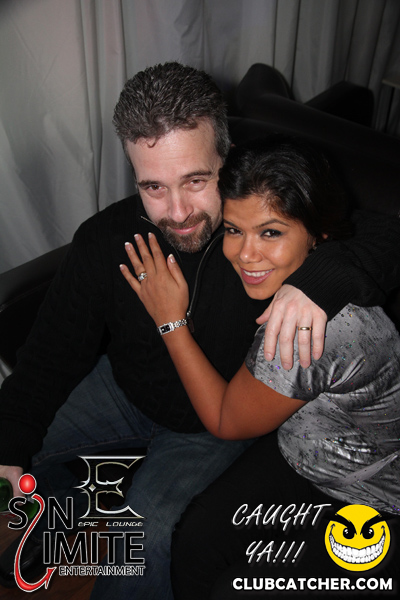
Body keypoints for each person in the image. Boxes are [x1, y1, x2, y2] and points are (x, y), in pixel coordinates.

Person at [0, 64, 399, 599]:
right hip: (123, 388)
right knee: (24, 443)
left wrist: (322, 280)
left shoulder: (259, 233)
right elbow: (47, 358)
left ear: (227, 159)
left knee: (146, 535)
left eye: (195, 180)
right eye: (153, 187)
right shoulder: (106, 239)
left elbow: (382, 231)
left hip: (212, 422)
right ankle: (60, 516)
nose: (178, 212)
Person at [121, 137, 400, 598]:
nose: (245, 254)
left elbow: (225, 420)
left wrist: (170, 320)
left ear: (318, 235)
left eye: (270, 233)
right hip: (304, 456)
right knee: (195, 542)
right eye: (234, 230)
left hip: (374, 500)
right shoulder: (306, 274)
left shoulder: (310, 330)